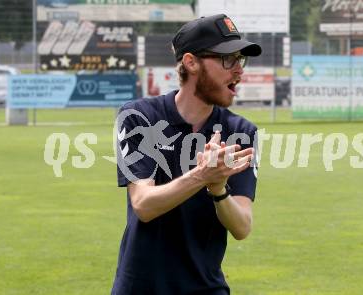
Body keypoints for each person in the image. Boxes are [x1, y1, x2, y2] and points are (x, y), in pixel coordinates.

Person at [111, 14, 262, 295]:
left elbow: (242, 226)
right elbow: (144, 205)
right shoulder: (138, 117)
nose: (239, 71)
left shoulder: (241, 132)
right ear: (191, 62)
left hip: (206, 288)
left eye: (241, 60)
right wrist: (202, 175)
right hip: (140, 288)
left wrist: (218, 189)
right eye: (228, 59)